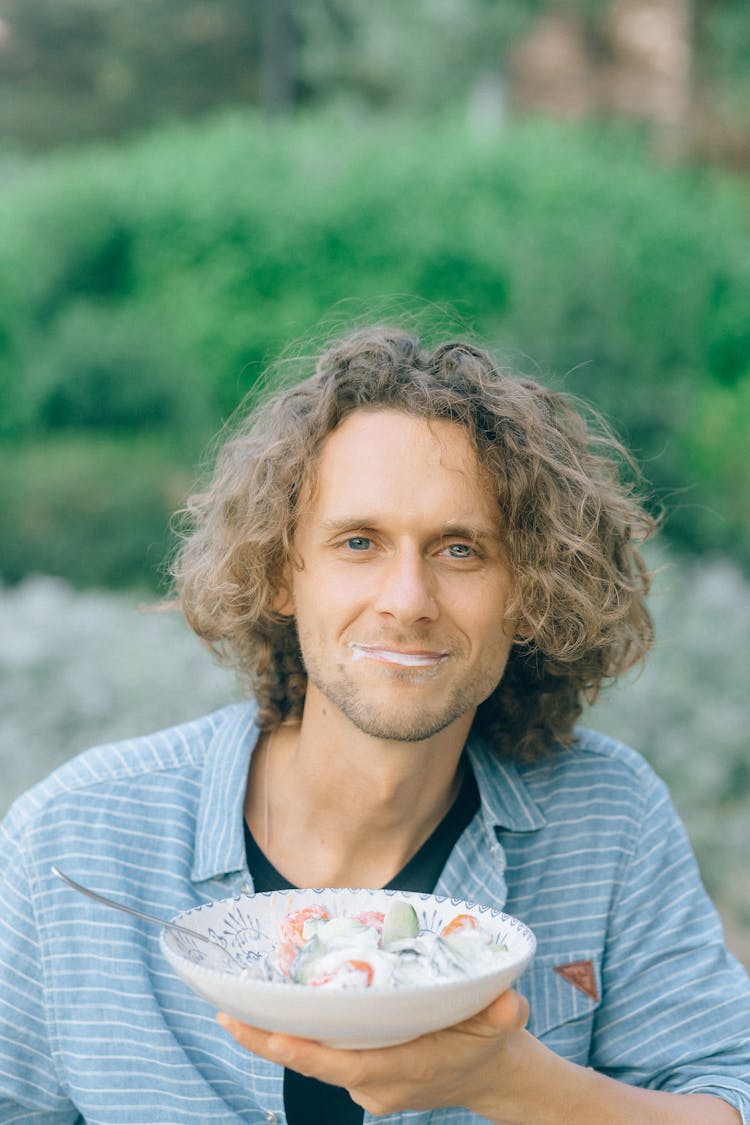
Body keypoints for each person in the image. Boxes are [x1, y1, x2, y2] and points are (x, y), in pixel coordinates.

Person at [0, 326, 748, 1124]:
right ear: (283, 572)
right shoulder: (72, 841)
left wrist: (507, 1080)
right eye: (359, 542)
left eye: (460, 550)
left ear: (529, 591)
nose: (407, 598)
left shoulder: (608, 819)